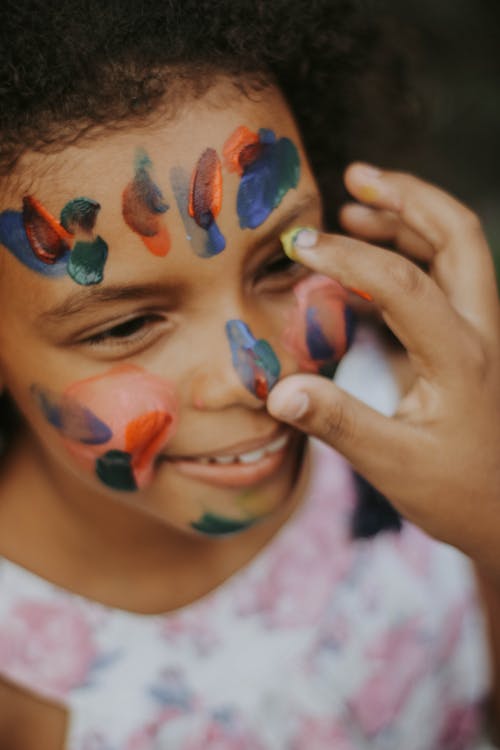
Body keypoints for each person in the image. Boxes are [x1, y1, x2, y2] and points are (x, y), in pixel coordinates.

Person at [0, 1, 498, 748]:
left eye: (279, 264)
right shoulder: (18, 687)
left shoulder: (424, 415)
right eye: (127, 325)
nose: (259, 375)